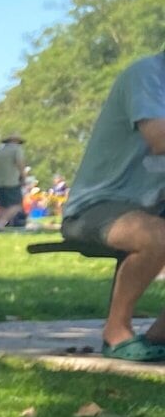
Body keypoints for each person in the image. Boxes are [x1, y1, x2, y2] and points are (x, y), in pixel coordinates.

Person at [62, 52, 165, 361]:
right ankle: (116, 332)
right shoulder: (147, 75)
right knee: (157, 235)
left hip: (150, 206)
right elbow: (158, 138)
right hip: (96, 206)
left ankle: (160, 337)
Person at [0, 136, 28, 229]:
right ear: (15, 141)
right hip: (12, 182)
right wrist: (23, 177)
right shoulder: (16, 150)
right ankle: (1, 223)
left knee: (2, 206)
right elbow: (20, 163)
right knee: (17, 205)